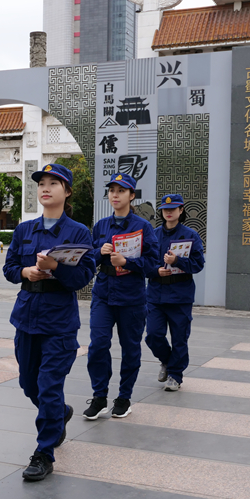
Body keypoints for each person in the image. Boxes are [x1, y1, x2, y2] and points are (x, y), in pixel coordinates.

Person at [3, 163, 95, 481]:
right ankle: (59, 414)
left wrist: (56, 266)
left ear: (67, 192)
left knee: (48, 385)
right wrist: (25, 272)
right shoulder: (24, 230)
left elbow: (83, 277)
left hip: (59, 321)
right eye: (42, 182)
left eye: (54, 183)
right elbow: (10, 266)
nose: (46, 187)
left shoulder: (78, 233)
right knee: (29, 384)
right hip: (26, 316)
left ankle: (44, 452)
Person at [83, 173, 159, 420]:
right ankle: (99, 396)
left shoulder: (143, 227)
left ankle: (124, 397)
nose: (115, 195)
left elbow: (152, 263)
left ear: (131, 196)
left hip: (132, 298)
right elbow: (88, 257)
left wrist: (127, 261)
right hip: (103, 294)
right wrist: (98, 252)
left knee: (130, 349)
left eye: (121, 191)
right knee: (97, 345)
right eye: (112, 190)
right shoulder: (101, 225)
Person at [145, 194, 205, 391]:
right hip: (156, 293)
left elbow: (198, 265)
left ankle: (175, 376)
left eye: (174, 208)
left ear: (181, 211)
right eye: (165, 209)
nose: (169, 212)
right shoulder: (153, 235)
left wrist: (177, 261)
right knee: (153, 335)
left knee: (180, 337)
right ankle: (167, 361)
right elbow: (144, 263)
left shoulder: (190, 235)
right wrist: (155, 270)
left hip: (180, 294)